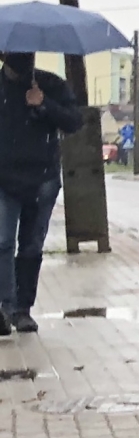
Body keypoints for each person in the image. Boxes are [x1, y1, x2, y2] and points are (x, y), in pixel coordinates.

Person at [0, 52, 86, 336]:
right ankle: (5, 306)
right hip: (3, 180)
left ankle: (22, 309)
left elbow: (74, 121)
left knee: (31, 246)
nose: (25, 58)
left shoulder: (49, 84)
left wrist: (44, 104)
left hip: (42, 179)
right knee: (2, 242)